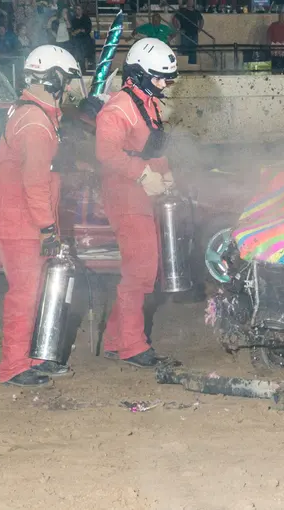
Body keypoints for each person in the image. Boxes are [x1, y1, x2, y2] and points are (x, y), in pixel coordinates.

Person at [0, 45, 85, 388]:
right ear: (54, 77)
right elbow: (34, 182)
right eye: (69, 79)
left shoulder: (33, 112)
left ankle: (31, 358)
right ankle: (14, 366)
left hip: (20, 215)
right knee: (25, 293)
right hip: (21, 220)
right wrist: (47, 228)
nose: (72, 87)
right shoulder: (36, 122)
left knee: (35, 291)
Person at [95, 38, 180, 369]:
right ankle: (132, 345)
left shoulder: (147, 103)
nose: (165, 84)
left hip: (143, 192)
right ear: (141, 75)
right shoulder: (118, 108)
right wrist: (144, 175)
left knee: (143, 268)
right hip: (125, 193)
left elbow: (154, 148)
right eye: (160, 78)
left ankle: (117, 340)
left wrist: (167, 174)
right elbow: (107, 153)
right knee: (141, 270)